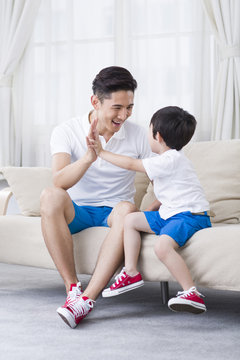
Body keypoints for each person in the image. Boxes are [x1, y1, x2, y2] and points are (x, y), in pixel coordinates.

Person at [40, 66, 151, 328]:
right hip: (77, 210)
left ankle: (87, 300)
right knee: (50, 196)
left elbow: (161, 174)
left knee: (127, 209)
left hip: (115, 212)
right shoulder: (66, 130)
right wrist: (91, 157)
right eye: (117, 108)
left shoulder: (138, 134)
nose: (124, 115)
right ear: (95, 102)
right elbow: (59, 181)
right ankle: (72, 289)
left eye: (130, 107)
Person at [88, 106, 212, 314]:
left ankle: (191, 292)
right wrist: (148, 212)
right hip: (171, 214)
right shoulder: (166, 162)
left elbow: (129, 164)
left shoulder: (170, 159)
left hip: (190, 216)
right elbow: (166, 197)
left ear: (158, 136)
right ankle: (130, 272)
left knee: (162, 248)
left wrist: (101, 152)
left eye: (149, 130)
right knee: (131, 220)